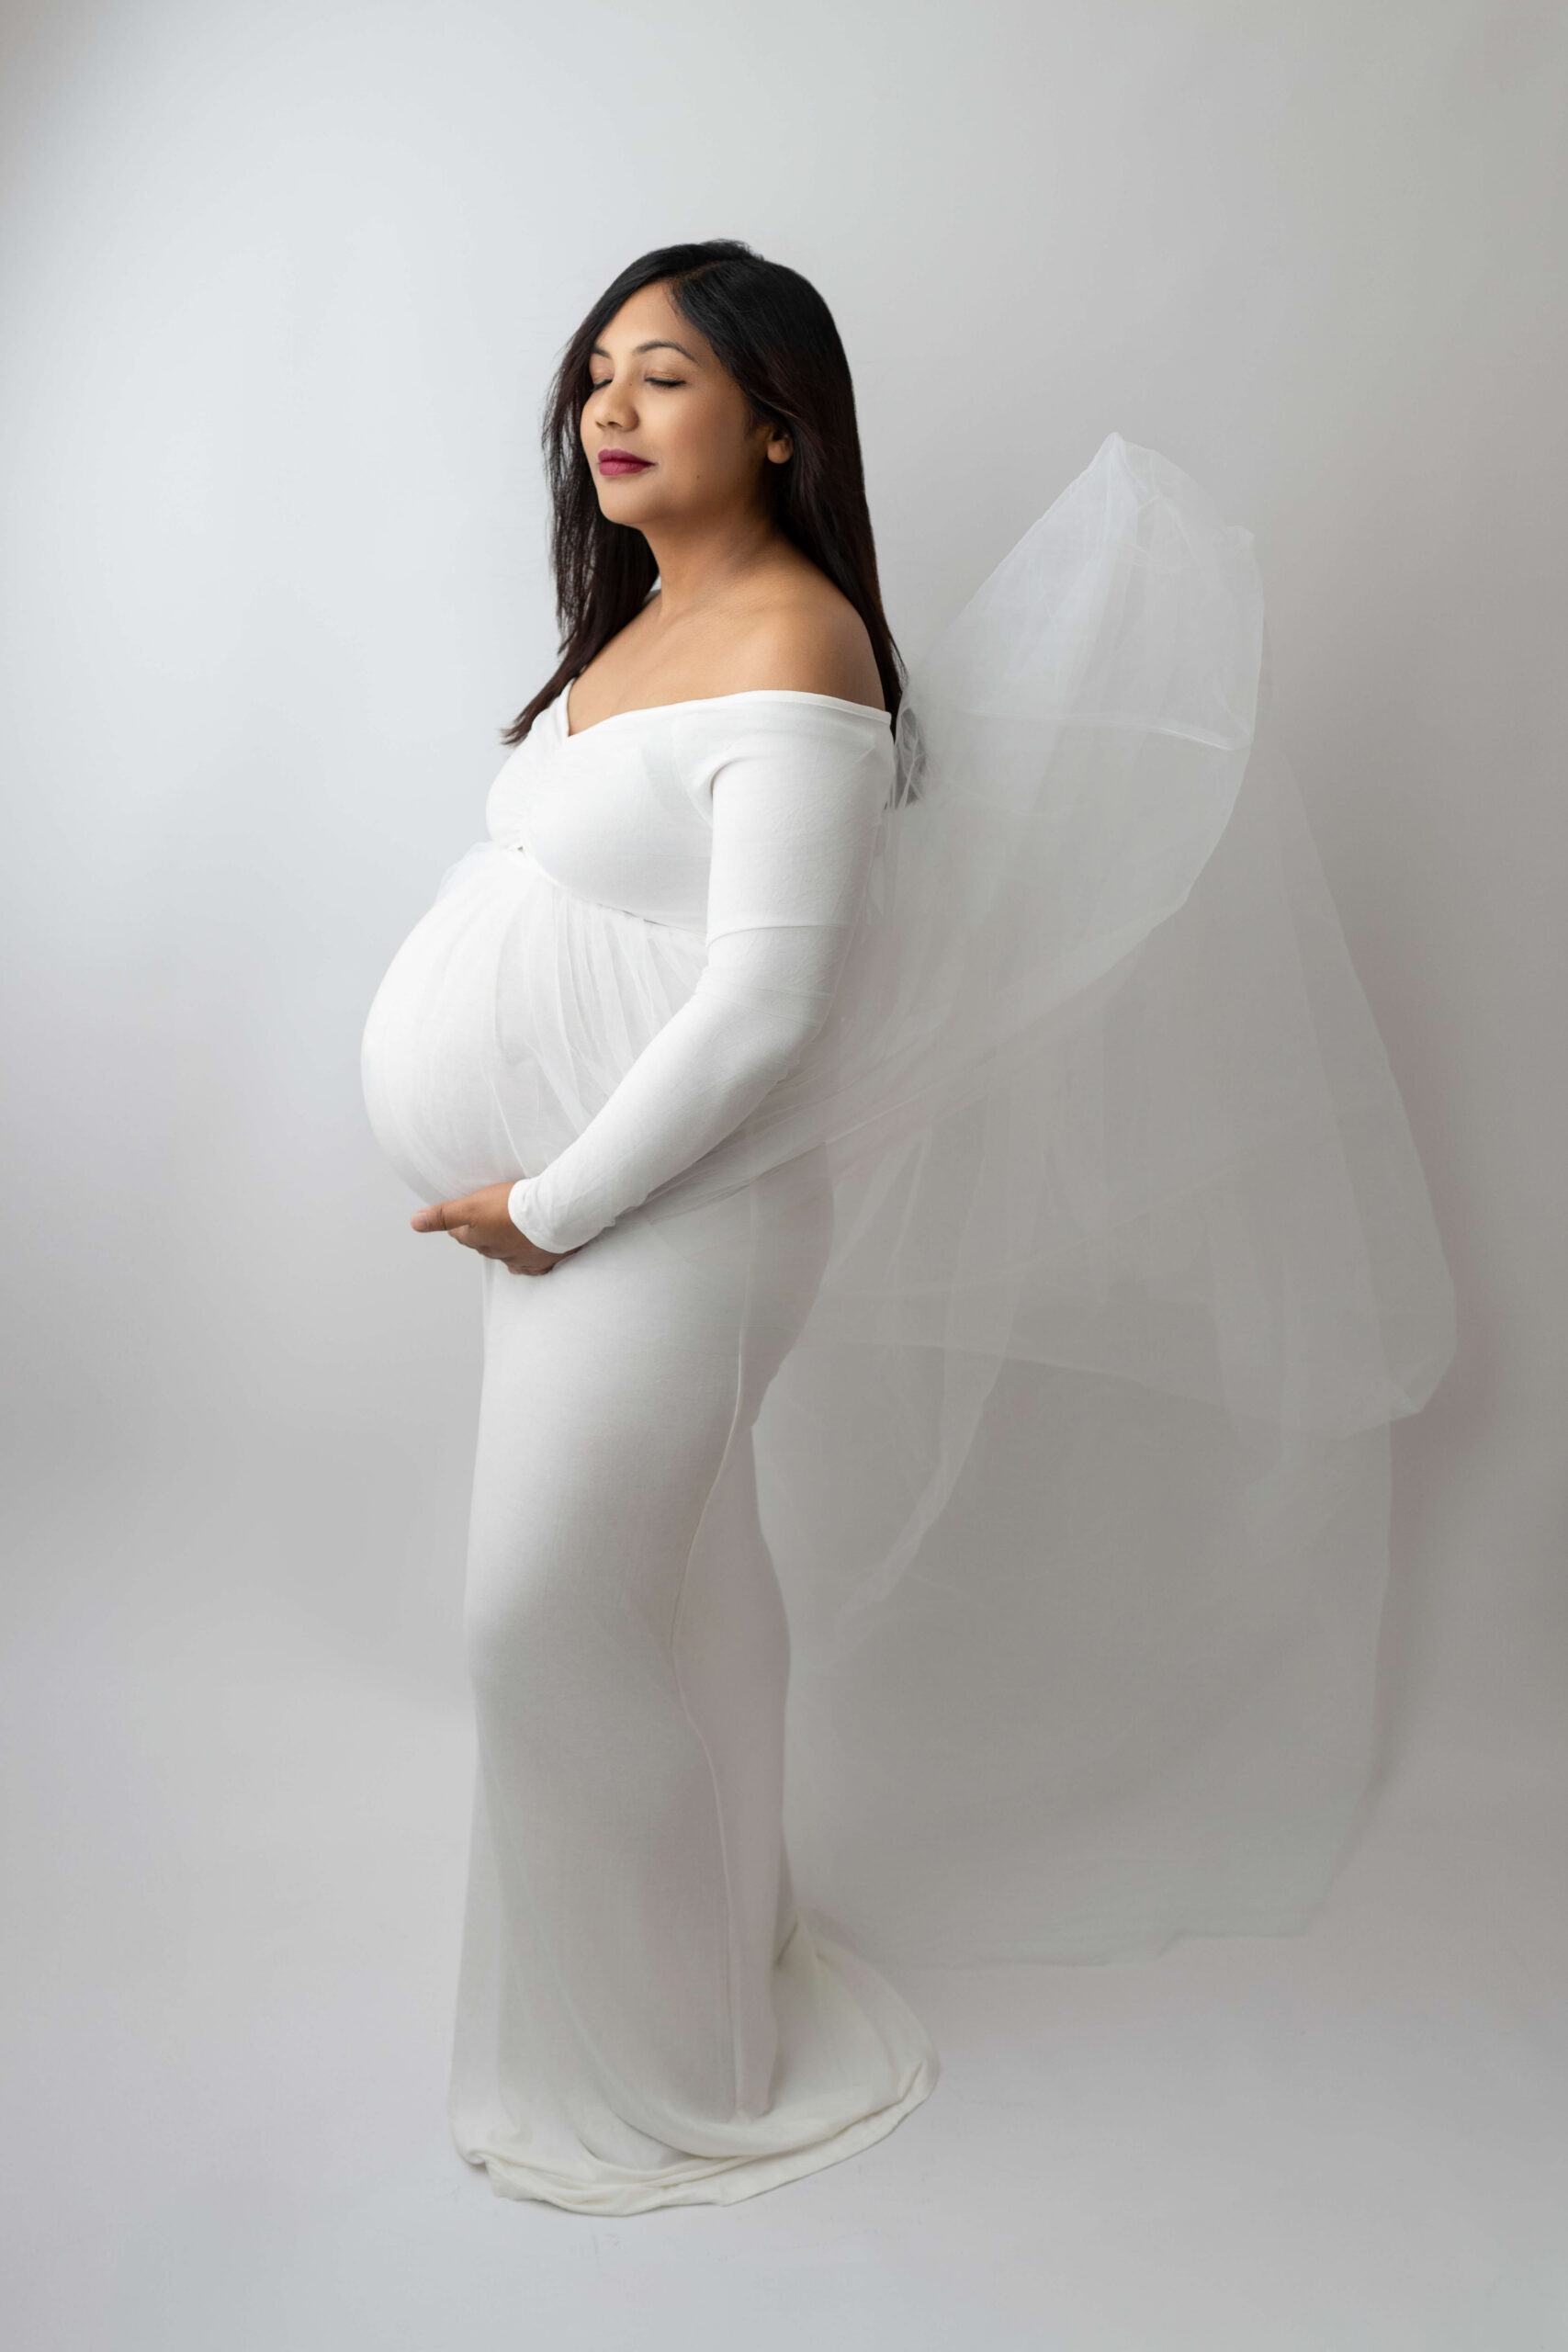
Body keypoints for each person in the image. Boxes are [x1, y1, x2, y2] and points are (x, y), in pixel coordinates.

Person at [361, 240, 1455, 2213]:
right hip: (587, 1220)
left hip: (667, 1220)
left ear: (777, 421)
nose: (609, 405)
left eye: (667, 375)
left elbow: (771, 1003)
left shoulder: (792, 643)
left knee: (536, 1620)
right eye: (598, 370)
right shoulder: (644, 621)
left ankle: (650, 2068)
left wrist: (552, 1196)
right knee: (685, 1591)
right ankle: (699, 1997)